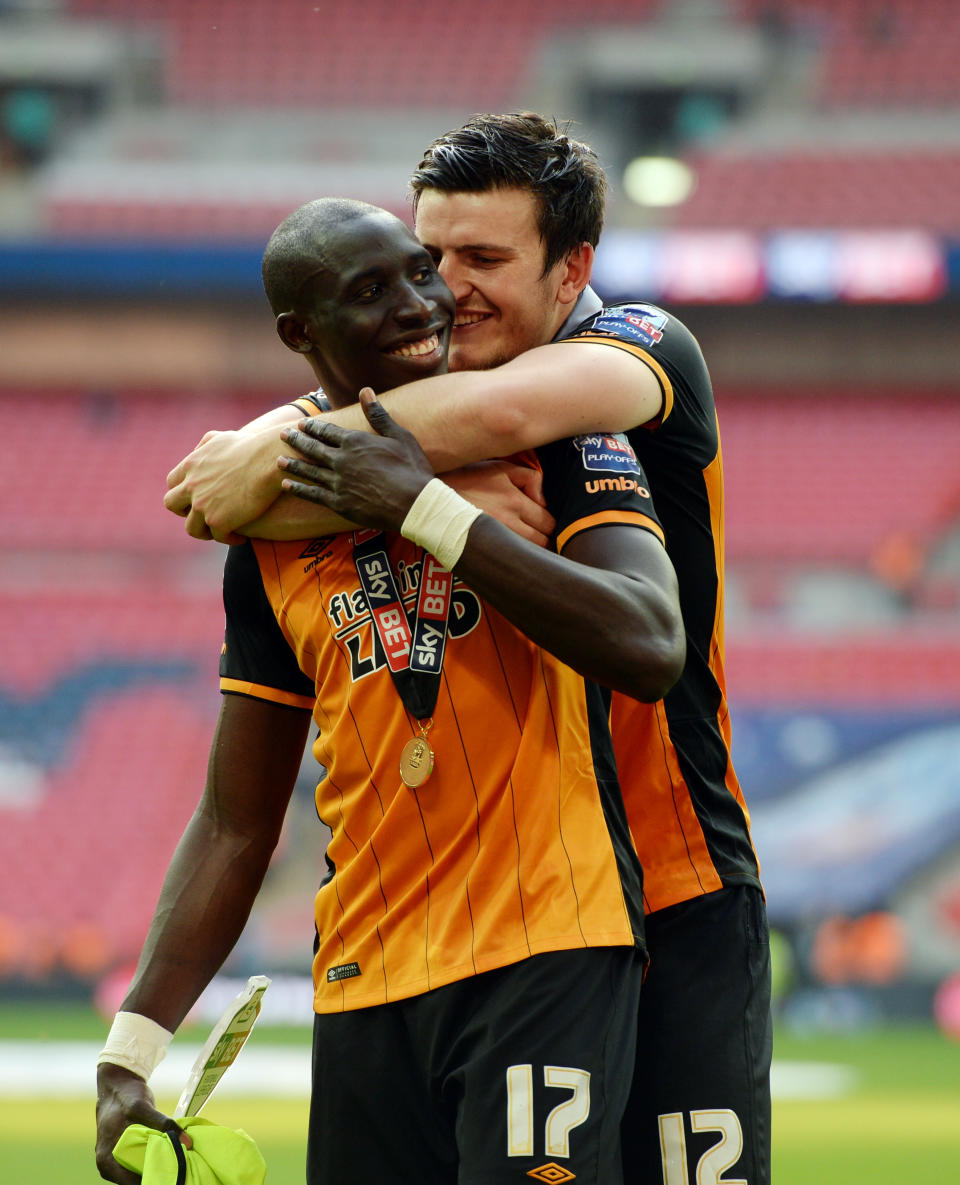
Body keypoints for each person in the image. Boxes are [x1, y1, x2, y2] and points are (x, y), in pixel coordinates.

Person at [165, 112, 774, 1185]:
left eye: (484, 259)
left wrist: (260, 455)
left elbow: (488, 414)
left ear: (570, 267)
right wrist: (304, 474)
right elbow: (349, 474)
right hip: (522, 903)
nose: (446, 288)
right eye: (431, 255)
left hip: (675, 877)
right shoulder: (417, 406)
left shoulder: (638, 349)